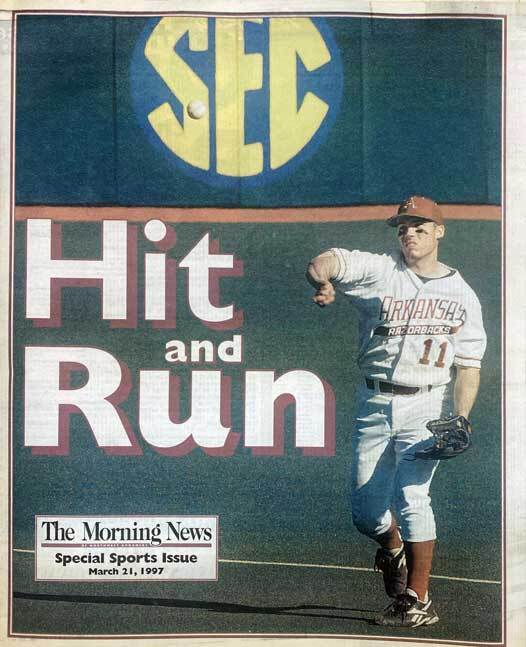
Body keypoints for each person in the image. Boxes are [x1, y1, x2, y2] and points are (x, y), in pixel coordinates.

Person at [306, 196, 486, 628]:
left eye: (420, 227)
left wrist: (461, 416)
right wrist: (322, 282)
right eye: (403, 228)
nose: (409, 234)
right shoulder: (382, 271)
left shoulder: (461, 293)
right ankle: (392, 548)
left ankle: (417, 599)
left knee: (411, 496)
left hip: (426, 404)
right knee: (366, 514)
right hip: (373, 404)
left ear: (439, 232)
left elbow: (469, 365)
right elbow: (327, 260)